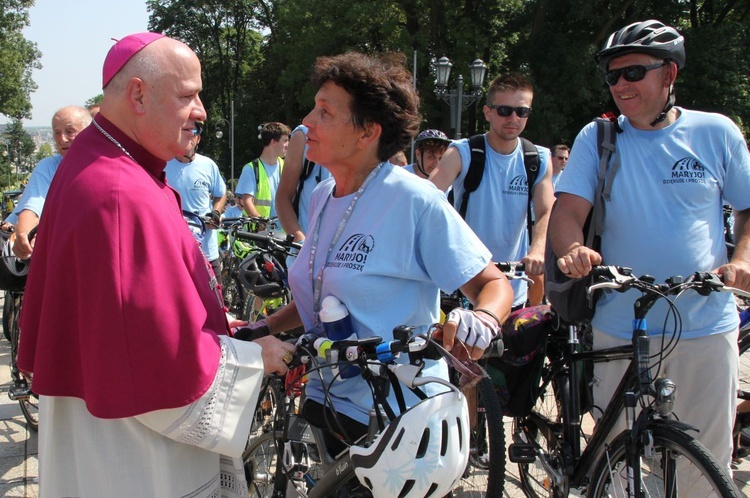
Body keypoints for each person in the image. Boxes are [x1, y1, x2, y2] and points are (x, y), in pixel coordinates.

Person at [16, 32, 295, 497]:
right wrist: (253, 357)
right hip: (131, 454)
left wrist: (213, 318)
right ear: (139, 95)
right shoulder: (118, 192)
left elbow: (125, 309)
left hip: (101, 430)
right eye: (188, 95)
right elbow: (152, 359)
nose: (202, 110)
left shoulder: (108, 164)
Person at [249, 51, 513, 495]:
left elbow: (492, 284)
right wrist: (264, 325)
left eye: (325, 112)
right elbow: (319, 292)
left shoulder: (414, 200)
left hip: (398, 418)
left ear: (368, 131)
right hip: (329, 399)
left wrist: (484, 319)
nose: (307, 121)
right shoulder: (323, 196)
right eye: (314, 107)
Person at [549, 19, 750, 471]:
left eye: (633, 73)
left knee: (704, 466)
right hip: (621, 325)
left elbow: (748, 207)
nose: (620, 84)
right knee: (616, 462)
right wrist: (570, 250)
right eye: (613, 75)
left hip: (704, 324)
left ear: (669, 75)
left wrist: (742, 259)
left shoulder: (716, 132)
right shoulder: (597, 138)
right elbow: (567, 213)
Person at [430, 73, 555, 308]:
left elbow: (546, 210)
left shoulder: (537, 158)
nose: (513, 118)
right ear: (488, 112)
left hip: (515, 282)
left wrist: (537, 250)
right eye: (504, 111)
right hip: (466, 284)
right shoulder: (463, 152)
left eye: (522, 111)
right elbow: (428, 198)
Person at [3, 106, 92, 258]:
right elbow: (33, 207)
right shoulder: (49, 166)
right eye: (56, 132)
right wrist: (25, 235)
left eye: (70, 131)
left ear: (89, 132)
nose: (62, 139)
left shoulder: (104, 165)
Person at [165, 132, 227, 275]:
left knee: (215, 297)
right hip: (175, 252)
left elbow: (221, 193)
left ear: (198, 139)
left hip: (206, 251)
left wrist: (216, 212)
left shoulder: (208, 165)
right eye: (183, 133)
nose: (188, 137)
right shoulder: (164, 164)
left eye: (193, 134)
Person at [275, 124, 331, 243]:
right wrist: (298, 237)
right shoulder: (303, 136)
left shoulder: (366, 141)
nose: (308, 118)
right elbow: (283, 197)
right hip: (303, 250)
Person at [235, 121, 290, 221]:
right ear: (273, 142)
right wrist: (261, 222)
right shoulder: (251, 168)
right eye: (285, 141)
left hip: (283, 231)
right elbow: (247, 201)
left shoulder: (286, 166)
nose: (288, 145)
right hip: (259, 233)